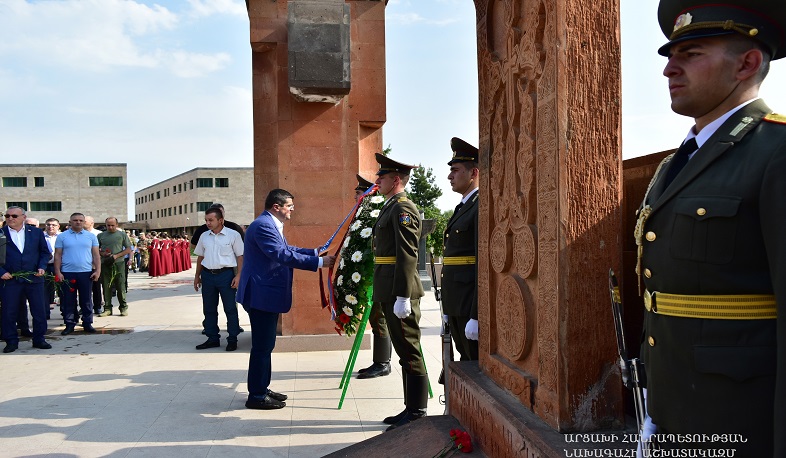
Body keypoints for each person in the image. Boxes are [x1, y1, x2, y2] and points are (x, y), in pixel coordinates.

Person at [637, 2, 785, 456]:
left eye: (692, 53)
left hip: (739, 419)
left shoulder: (776, 152)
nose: (669, 70)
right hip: (673, 408)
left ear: (748, 63)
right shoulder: (674, 165)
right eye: (668, 56)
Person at [236, 189, 335, 410]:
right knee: (262, 346)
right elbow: (280, 255)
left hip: (264, 294)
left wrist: (314, 252)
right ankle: (257, 396)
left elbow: (286, 249)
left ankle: (262, 387)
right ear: (276, 207)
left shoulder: (269, 224)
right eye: (289, 205)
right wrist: (318, 263)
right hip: (260, 295)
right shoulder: (263, 226)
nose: (293, 209)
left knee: (266, 344)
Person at [371, 153, 426, 430]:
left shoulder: (403, 209)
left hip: (398, 290)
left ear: (395, 179)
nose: (377, 180)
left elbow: (407, 254)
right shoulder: (390, 207)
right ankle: (410, 407)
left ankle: (417, 411)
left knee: (409, 350)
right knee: (404, 351)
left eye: (381, 176)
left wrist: (403, 295)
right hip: (389, 288)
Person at [441, 137, 479, 362]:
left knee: (472, 363)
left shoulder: (479, 206)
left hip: (468, 305)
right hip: (456, 303)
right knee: (464, 363)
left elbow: (482, 265)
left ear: (473, 173)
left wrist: (476, 315)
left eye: (455, 170)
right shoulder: (463, 207)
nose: (449, 176)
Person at [352, 174, 392, 379]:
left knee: (380, 317)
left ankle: (383, 363)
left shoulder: (376, 215)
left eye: (359, 193)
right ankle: (379, 361)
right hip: (372, 275)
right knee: (376, 318)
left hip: (382, 276)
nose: (356, 198)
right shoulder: (364, 216)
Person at [0, 206, 52, 353]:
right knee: (9, 311)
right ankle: (11, 341)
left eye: (14, 216)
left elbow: (44, 252)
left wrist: (42, 266)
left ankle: (39, 339)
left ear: (23, 217)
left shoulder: (35, 233)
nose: (10, 218)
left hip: (34, 278)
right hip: (9, 279)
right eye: (7, 216)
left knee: (39, 310)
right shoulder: (1, 233)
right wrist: (1, 271)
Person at [193, 207, 244, 352]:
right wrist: (197, 276)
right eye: (206, 220)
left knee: (230, 309)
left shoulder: (233, 235)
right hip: (208, 276)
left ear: (220, 220)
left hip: (226, 276)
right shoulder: (204, 236)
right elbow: (200, 257)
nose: (208, 223)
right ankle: (212, 338)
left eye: (211, 220)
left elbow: (240, 257)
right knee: (209, 309)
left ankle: (232, 339)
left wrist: (238, 275)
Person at [55, 213, 100, 335]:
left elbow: (96, 255)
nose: (78, 222)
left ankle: (87, 323)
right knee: (68, 300)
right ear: (70, 221)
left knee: (86, 299)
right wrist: (58, 272)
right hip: (67, 273)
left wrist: (97, 270)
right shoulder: (62, 236)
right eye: (75, 220)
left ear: (84, 221)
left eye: (81, 220)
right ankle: (69, 323)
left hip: (86, 272)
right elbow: (58, 255)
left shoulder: (91, 236)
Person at [96, 217, 133, 317]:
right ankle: (107, 308)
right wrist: (103, 253)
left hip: (119, 264)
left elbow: (129, 248)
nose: (110, 227)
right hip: (105, 263)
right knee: (106, 286)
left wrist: (116, 256)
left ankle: (123, 307)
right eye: (108, 225)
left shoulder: (122, 234)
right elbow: (96, 249)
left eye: (112, 225)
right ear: (105, 225)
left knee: (120, 286)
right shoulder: (100, 235)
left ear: (117, 225)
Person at [83, 216, 104, 315]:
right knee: (84, 289)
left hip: (95, 264)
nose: (83, 223)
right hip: (83, 264)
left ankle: (97, 306)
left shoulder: (98, 234)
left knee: (96, 287)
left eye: (85, 221)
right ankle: (85, 306)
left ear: (92, 223)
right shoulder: (80, 234)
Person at [43, 218, 60, 318]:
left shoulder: (62, 236)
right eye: (48, 224)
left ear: (58, 226)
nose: (51, 227)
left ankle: (65, 312)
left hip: (60, 266)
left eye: (53, 225)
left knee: (62, 289)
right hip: (45, 266)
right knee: (45, 290)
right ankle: (45, 313)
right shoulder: (41, 236)